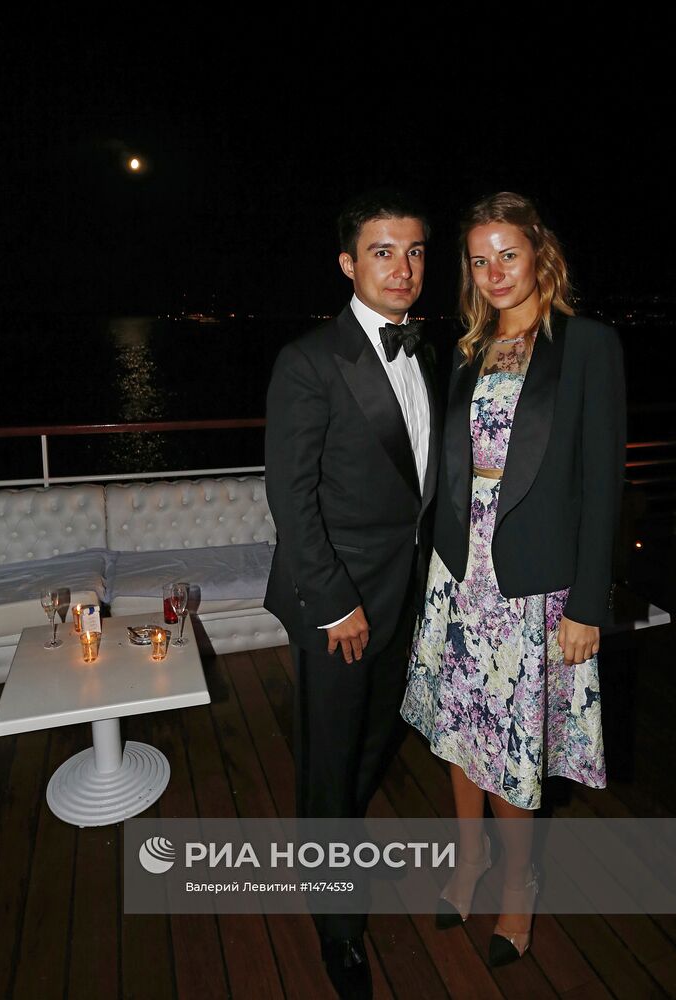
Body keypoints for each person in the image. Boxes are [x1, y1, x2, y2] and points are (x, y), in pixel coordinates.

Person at [401, 191, 626, 967]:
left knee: (506, 743)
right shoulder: (467, 347)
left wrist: (586, 604)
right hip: (457, 571)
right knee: (458, 729)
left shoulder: (586, 345)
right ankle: (469, 859)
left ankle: (517, 883)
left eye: (507, 254)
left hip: (528, 583)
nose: (494, 272)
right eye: (478, 260)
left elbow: (601, 485)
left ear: (539, 254)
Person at [264, 190, 440, 999]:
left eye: (414, 251)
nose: (401, 268)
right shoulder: (309, 361)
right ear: (347, 263)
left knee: (375, 738)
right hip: (337, 602)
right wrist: (335, 604)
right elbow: (291, 498)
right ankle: (337, 927)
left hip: (406, 591)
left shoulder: (428, 353)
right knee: (330, 761)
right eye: (381, 251)